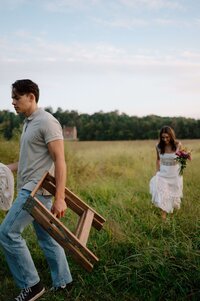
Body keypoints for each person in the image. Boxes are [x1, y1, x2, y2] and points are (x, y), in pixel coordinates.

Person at [0, 79, 72, 301]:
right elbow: (27, 161)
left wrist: (60, 198)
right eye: (12, 97)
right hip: (30, 186)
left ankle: (31, 286)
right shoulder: (29, 122)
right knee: (47, 238)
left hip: (36, 191)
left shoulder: (47, 122)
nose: (12, 102)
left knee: (7, 233)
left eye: (16, 97)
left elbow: (60, 160)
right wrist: (4, 168)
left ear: (31, 96)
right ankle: (64, 282)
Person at [149, 126, 183, 220]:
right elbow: (158, 160)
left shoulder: (178, 145)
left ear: (171, 136)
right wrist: (157, 172)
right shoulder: (158, 146)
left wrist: (185, 158)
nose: (164, 139)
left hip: (175, 174)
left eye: (167, 137)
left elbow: (181, 157)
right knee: (163, 194)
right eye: (163, 137)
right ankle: (163, 217)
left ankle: (172, 216)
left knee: (173, 195)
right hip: (163, 174)